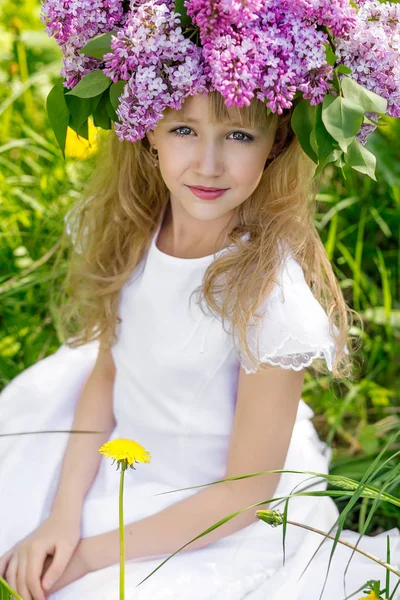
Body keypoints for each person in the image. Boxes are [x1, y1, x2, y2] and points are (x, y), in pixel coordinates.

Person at [1, 89, 399, 600]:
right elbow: (107, 372)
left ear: (275, 142)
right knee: (18, 502)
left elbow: (246, 492)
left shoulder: (269, 299)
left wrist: (90, 553)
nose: (208, 165)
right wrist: (62, 516)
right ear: (148, 128)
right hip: (122, 437)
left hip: (214, 512)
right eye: (184, 130)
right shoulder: (136, 228)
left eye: (238, 135)